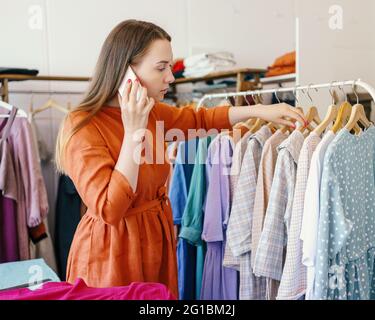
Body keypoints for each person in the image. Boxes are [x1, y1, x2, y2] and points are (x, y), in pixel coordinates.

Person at [55, 19, 307, 298]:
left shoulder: (154, 113)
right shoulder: (83, 125)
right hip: (112, 252)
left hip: (155, 242)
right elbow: (110, 208)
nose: (170, 78)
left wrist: (260, 111)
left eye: (170, 68)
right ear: (127, 71)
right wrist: (133, 131)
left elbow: (200, 118)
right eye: (161, 68)